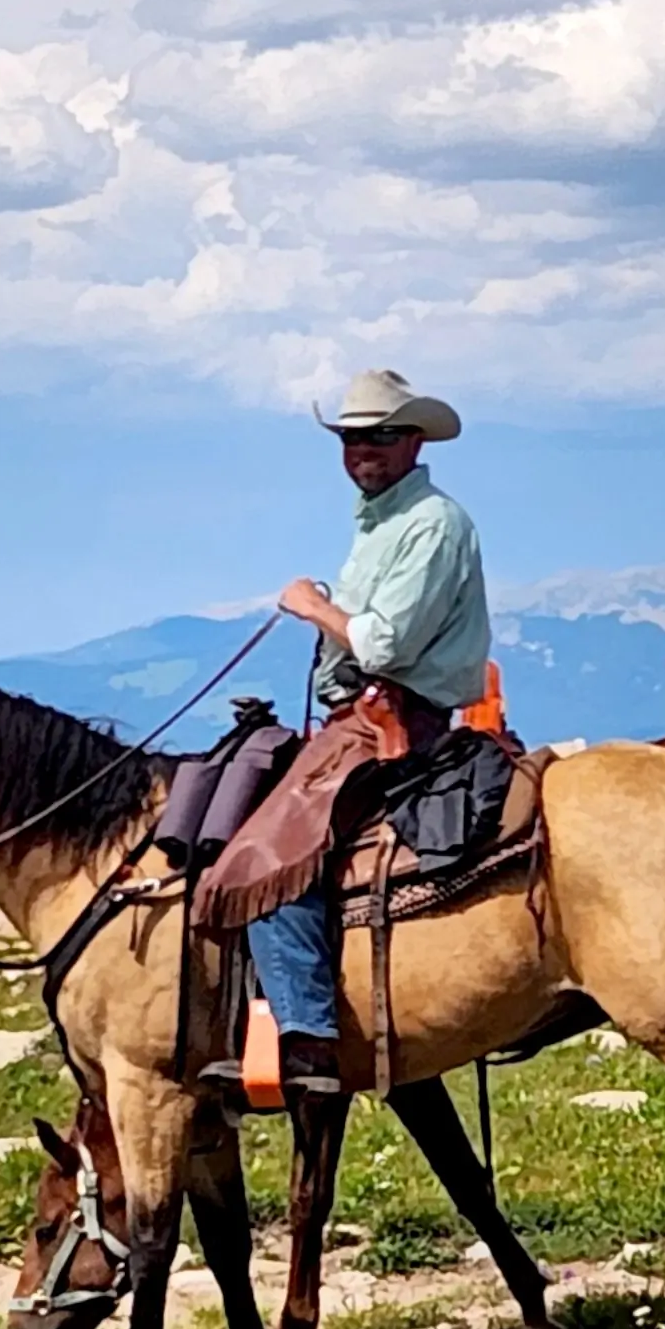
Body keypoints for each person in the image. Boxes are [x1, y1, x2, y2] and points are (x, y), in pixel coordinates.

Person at [194, 369, 489, 1098]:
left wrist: (310, 607)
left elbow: (384, 645)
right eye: (355, 437)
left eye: (382, 436)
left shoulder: (431, 525)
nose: (366, 450)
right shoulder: (386, 522)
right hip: (358, 716)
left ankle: (307, 1039)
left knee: (269, 859)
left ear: (415, 440)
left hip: (388, 721)